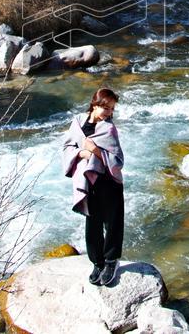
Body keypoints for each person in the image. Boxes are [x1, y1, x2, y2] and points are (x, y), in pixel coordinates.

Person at [62, 88, 125, 286]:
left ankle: (111, 261)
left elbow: (117, 160)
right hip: (88, 181)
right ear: (94, 104)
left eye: (112, 109)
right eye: (105, 107)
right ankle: (97, 263)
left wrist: (96, 151)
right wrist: (82, 154)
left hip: (109, 181)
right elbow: (67, 147)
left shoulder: (109, 129)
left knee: (113, 222)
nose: (108, 112)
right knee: (93, 223)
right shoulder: (78, 122)